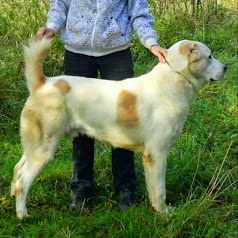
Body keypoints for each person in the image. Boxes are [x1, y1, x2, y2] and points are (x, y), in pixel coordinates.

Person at [38, 0, 167, 211]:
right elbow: (61, 4)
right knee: (79, 123)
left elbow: (139, 12)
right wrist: (52, 26)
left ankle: (126, 189)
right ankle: (81, 188)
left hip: (116, 53)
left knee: (125, 121)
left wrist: (151, 42)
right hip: (77, 52)